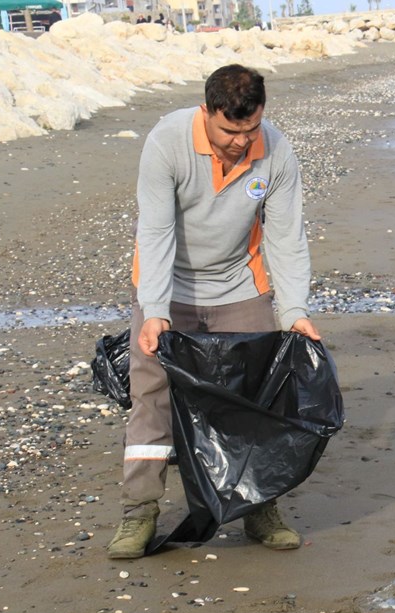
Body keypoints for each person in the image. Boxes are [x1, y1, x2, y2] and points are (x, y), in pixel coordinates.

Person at [107, 64, 321, 559]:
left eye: (251, 129)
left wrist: (293, 311)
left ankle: (259, 509)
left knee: (252, 400)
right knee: (153, 397)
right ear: (206, 113)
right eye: (230, 130)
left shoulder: (276, 150)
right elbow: (155, 231)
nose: (241, 142)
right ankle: (138, 514)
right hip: (169, 286)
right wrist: (155, 309)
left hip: (239, 285)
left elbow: (287, 236)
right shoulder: (167, 142)